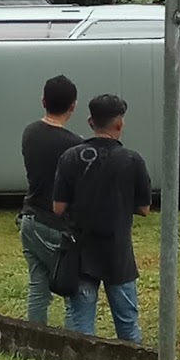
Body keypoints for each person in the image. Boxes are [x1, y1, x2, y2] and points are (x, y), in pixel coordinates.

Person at [52, 94, 152, 343]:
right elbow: (144, 208)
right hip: (118, 253)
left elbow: (58, 207)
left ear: (89, 122)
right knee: (127, 323)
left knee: (80, 326)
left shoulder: (70, 157)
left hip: (81, 253)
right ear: (119, 124)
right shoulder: (132, 160)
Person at [18, 75, 82, 324]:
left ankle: (36, 336)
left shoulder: (30, 132)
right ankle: (73, 340)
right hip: (56, 225)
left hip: (30, 218)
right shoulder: (74, 146)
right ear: (73, 106)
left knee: (38, 284)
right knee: (70, 286)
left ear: (43, 100)